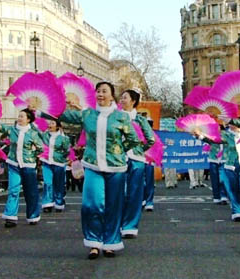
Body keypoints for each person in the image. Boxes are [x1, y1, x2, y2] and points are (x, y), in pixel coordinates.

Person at [53, 81, 139, 259]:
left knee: (113, 206)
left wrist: (119, 150)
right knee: (91, 204)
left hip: (115, 167)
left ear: (111, 95)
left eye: (104, 91)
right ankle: (93, 242)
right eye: (98, 91)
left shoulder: (121, 117)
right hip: (92, 165)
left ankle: (110, 243)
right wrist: (40, 109)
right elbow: (60, 115)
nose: (100, 94)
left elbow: (133, 139)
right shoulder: (87, 114)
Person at [0, 108, 44, 228]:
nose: (19, 118)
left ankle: (33, 215)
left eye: (22, 116)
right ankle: (10, 217)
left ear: (28, 119)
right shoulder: (12, 130)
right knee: (13, 190)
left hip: (28, 166)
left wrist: (31, 156)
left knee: (30, 192)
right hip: (13, 164)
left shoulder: (33, 133)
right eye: (19, 116)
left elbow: (40, 148)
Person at [119, 89, 156, 239]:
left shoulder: (140, 120)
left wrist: (139, 150)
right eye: (121, 98)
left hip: (137, 160)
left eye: (125, 98)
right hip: (118, 159)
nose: (122, 100)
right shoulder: (116, 117)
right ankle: (118, 223)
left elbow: (150, 139)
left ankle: (130, 226)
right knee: (118, 192)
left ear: (133, 101)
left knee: (134, 193)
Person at [39, 118, 72, 214]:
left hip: (59, 163)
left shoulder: (64, 138)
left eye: (52, 123)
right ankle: (48, 204)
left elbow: (67, 151)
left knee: (59, 184)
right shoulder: (45, 135)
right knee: (47, 183)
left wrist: (60, 157)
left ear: (57, 126)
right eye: (49, 123)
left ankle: (59, 203)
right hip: (47, 162)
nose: (50, 125)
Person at [205, 138, 228, 205]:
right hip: (213, 158)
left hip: (224, 158)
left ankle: (223, 196)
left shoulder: (227, 134)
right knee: (214, 179)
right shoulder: (211, 134)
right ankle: (216, 197)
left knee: (223, 178)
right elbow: (205, 139)